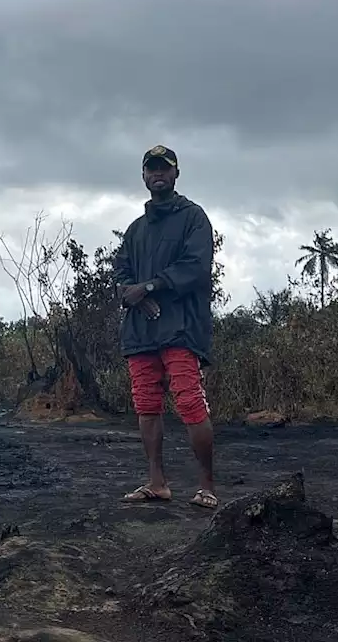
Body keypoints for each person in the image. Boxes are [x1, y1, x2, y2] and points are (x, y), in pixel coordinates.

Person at [112, 144, 217, 509]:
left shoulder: (194, 218)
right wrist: (133, 294)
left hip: (181, 327)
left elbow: (195, 266)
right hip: (140, 331)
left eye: (164, 168)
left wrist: (152, 286)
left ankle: (206, 486)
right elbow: (120, 272)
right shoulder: (135, 229)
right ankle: (157, 483)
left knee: (189, 400)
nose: (158, 174)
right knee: (146, 404)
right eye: (151, 169)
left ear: (175, 174)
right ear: (143, 176)